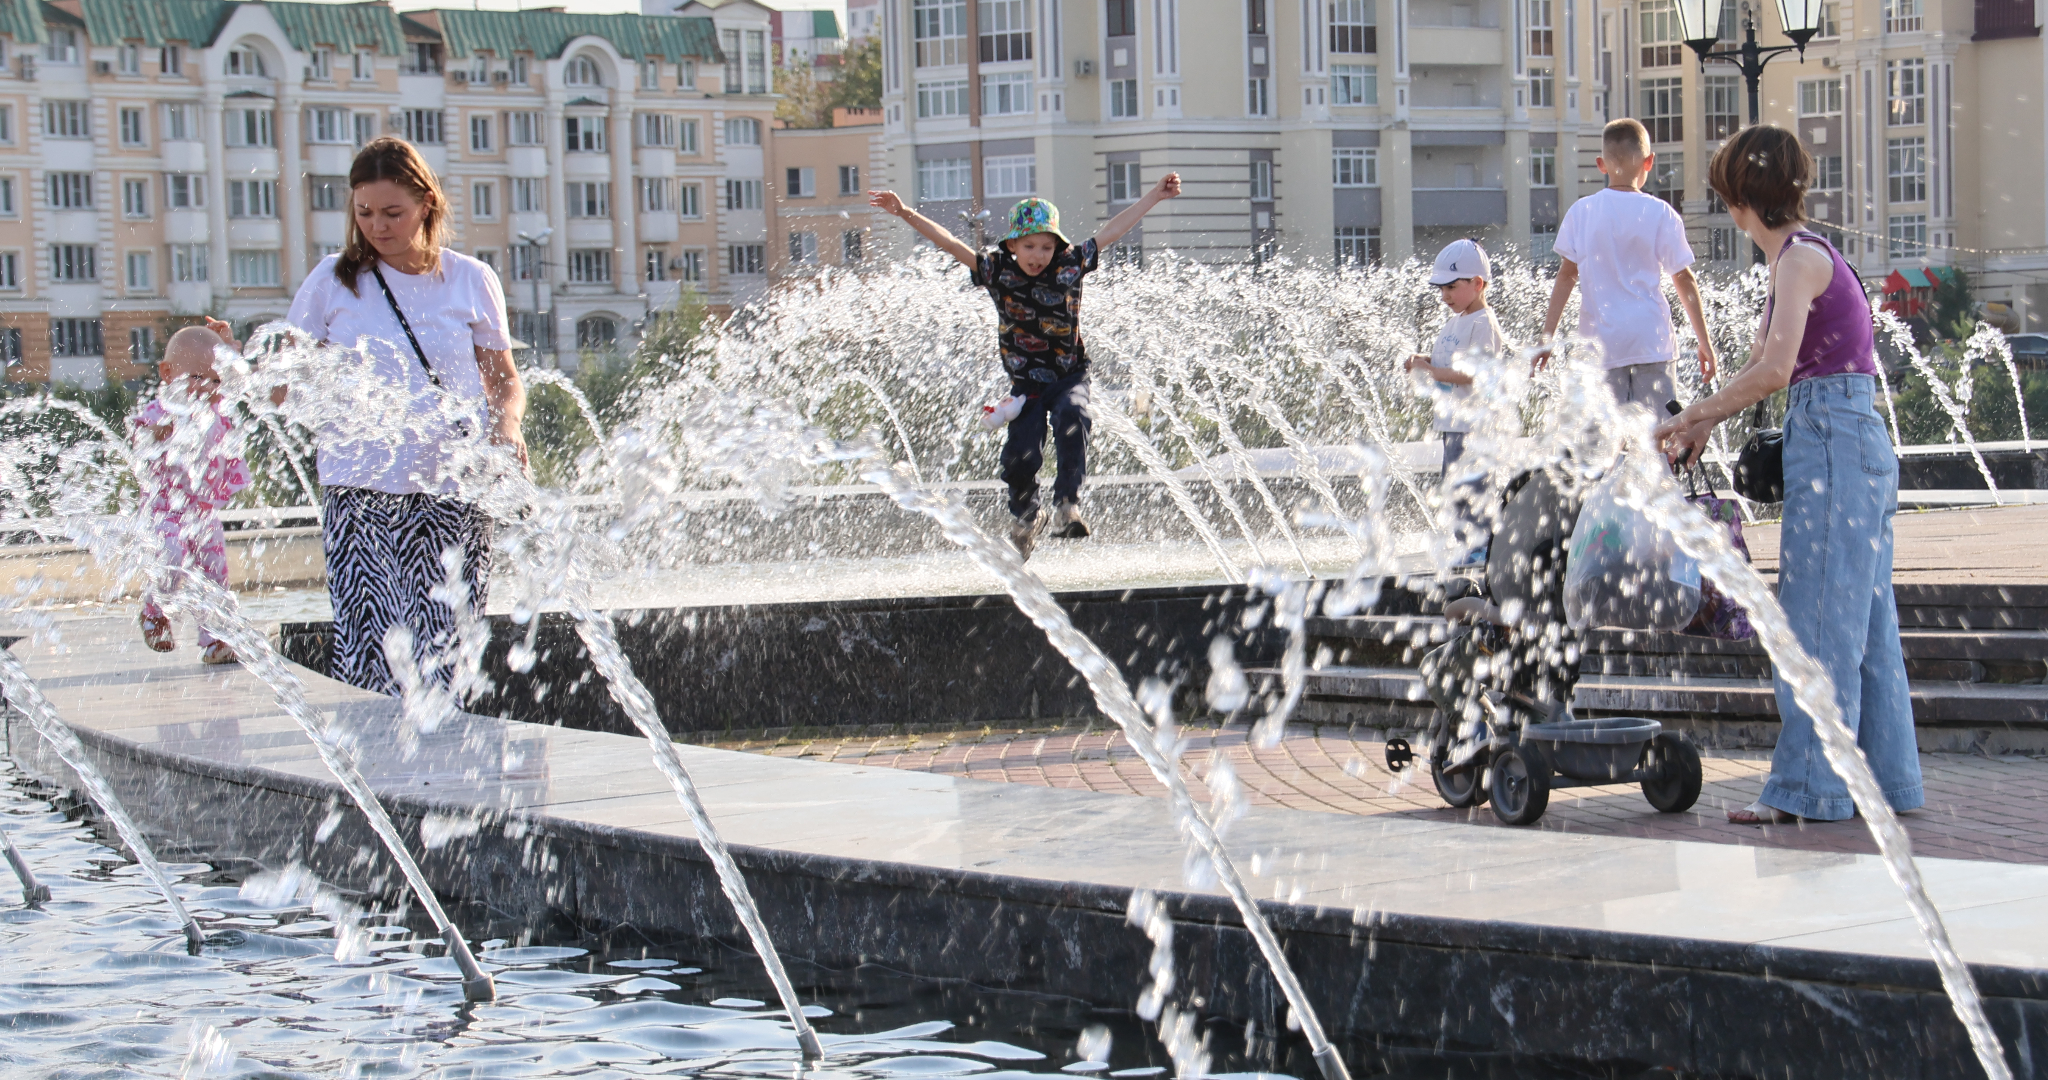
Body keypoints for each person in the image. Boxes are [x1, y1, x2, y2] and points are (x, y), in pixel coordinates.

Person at [1654, 125, 1923, 824]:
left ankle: (1809, 789)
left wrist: (1696, 413)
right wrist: (1703, 423)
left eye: (1726, 195)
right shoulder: (1805, 258)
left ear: (1741, 200)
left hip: (1833, 440)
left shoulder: (1799, 261)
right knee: (1867, 630)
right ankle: (1887, 782)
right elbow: (1761, 363)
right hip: (1849, 437)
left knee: (1815, 626)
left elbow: (1776, 370)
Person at [284, 136, 526, 696]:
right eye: (364, 212)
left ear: (426, 204)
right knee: (370, 659)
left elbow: (504, 381)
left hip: (452, 493)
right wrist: (235, 362)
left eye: (393, 212)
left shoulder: (470, 279)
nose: (377, 226)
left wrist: (506, 426)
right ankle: (376, 756)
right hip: (360, 493)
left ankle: (443, 755)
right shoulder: (332, 281)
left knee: (447, 659)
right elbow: (286, 384)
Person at [868, 177, 1181, 559]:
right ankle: (1026, 516)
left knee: (1073, 416)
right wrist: (904, 212)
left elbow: (1112, 232)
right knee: (1020, 454)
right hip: (1026, 385)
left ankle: (1067, 506)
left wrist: (1155, 196)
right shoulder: (997, 270)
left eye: (1047, 247)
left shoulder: (1069, 264)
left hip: (1069, 376)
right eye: (1030, 246)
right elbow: (950, 244)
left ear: (1057, 247)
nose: (1038, 255)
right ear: (1012, 245)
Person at [1540, 118, 1716, 412]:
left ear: (1601, 164)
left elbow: (1566, 277)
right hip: (1651, 342)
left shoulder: (1582, 212)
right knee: (1659, 433)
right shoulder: (1661, 213)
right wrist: (1704, 342)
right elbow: (1683, 278)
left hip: (1601, 347)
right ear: (1649, 162)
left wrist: (1547, 338)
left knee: (1600, 437)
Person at [134, 321, 256, 665]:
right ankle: (154, 612)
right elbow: (138, 441)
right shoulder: (161, 411)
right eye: (196, 377)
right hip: (164, 510)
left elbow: (240, 377)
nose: (207, 387)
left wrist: (229, 346)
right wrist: (156, 434)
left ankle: (216, 638)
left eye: (215, 380)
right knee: (171, 558)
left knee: (215, 573)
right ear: (167, 373)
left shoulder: (216, 408)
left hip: (202, 512)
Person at [1404, 238, 1513, 566]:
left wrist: (1430, 372)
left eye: (1452, 287)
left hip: (1476, 427)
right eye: (1441, 288)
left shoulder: (1483, 323)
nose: (1445, 295)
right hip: (1454, 424)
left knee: (1474, 489)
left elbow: (1474, 374)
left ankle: (1480, 551)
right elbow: (1448, 361)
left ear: (1477, 284)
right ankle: (1466, 547)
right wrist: (1423, 361)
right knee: (1455, 489)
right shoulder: (1457, 321)